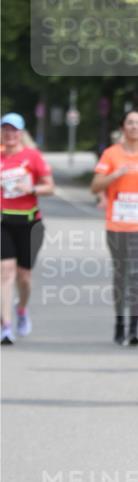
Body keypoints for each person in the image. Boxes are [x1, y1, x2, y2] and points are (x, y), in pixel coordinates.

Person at [91, 110, 138, 346]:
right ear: (123, 126)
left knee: (135, 273)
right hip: (116, 223)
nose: (135, 127)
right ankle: (119, 322)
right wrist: (114, 175)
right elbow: (95, 185)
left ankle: (134, 328)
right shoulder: (111, 154)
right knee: (120, 275)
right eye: (130, 122)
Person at [1, 112, 54, 344]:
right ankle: (6, 325)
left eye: (14, 130)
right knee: (5, 271)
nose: (9, 134)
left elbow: (50, 187)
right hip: (3, 221)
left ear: (21, 133)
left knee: (24, 276)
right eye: (5, 129)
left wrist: (31, 188)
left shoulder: (32, 156)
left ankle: (21, 309)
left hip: (30, 223)